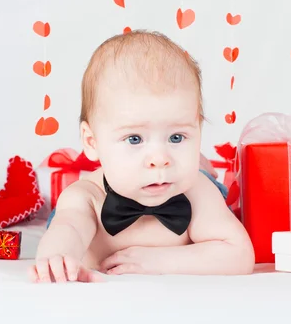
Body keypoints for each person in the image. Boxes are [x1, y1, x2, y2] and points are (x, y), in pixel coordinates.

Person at [29, 30, 255, 283]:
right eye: (134, 139)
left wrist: (157, 260)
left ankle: (201, 163)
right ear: (92, 142)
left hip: (189, 179)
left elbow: (239, 254)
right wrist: (57, 256)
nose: (159, 159)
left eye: (176, 137)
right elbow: (68, 228)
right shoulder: (86, 197)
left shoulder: (196, 191)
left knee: (199, 175)